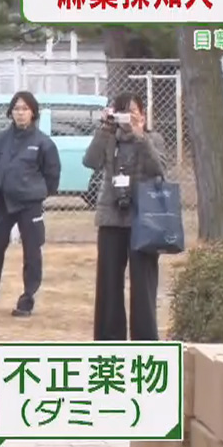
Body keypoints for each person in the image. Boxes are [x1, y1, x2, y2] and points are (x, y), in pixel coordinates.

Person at [82, 92, 167, 341]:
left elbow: (159, 169)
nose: (127, 117)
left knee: (143, 284)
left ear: (143, 115)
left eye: (133, 111)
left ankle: (145, 340)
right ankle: (109, 340)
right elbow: (90, 161)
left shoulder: (153, 139)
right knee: (108, 282)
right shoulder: (110, 138)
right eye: (122, 112)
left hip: (144, 218)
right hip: (111, 217)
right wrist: (104, 130)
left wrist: (141, 138)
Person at [0, 92, 61, 317]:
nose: (20, 113)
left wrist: (36, 191)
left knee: (32, 251)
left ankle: (27, 299)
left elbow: (52, 175)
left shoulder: (43, 143)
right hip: (4, 201)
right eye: (17, 109)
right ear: (11, 112)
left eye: (25, 109)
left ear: (33, 113)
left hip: (30, 204)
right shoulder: (1, 139)